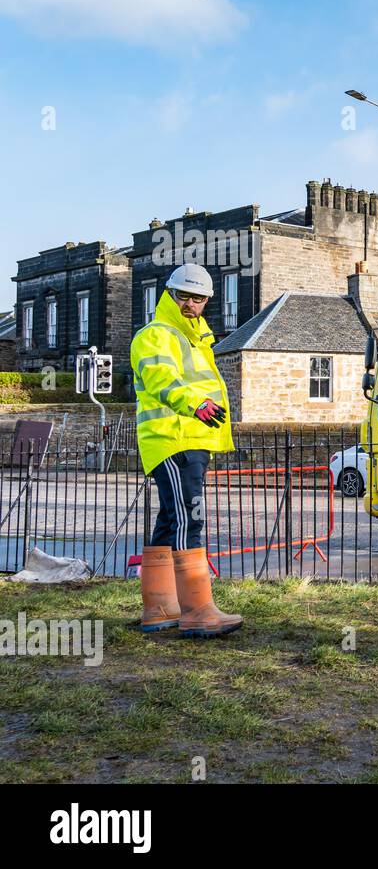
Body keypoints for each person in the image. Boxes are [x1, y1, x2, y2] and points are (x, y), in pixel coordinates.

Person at [131, 263, 241, 638]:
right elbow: (162, 379)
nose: (191, 304)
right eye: (184, 296)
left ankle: (159, 607)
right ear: (170, 294)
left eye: (198, 298)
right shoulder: (156, 335)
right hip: (173, 437)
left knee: (171, 518)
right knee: (189, 518)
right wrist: (194, 404)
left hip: (190, 438)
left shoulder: (196, 338)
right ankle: (197, 610)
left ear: (207, 301)